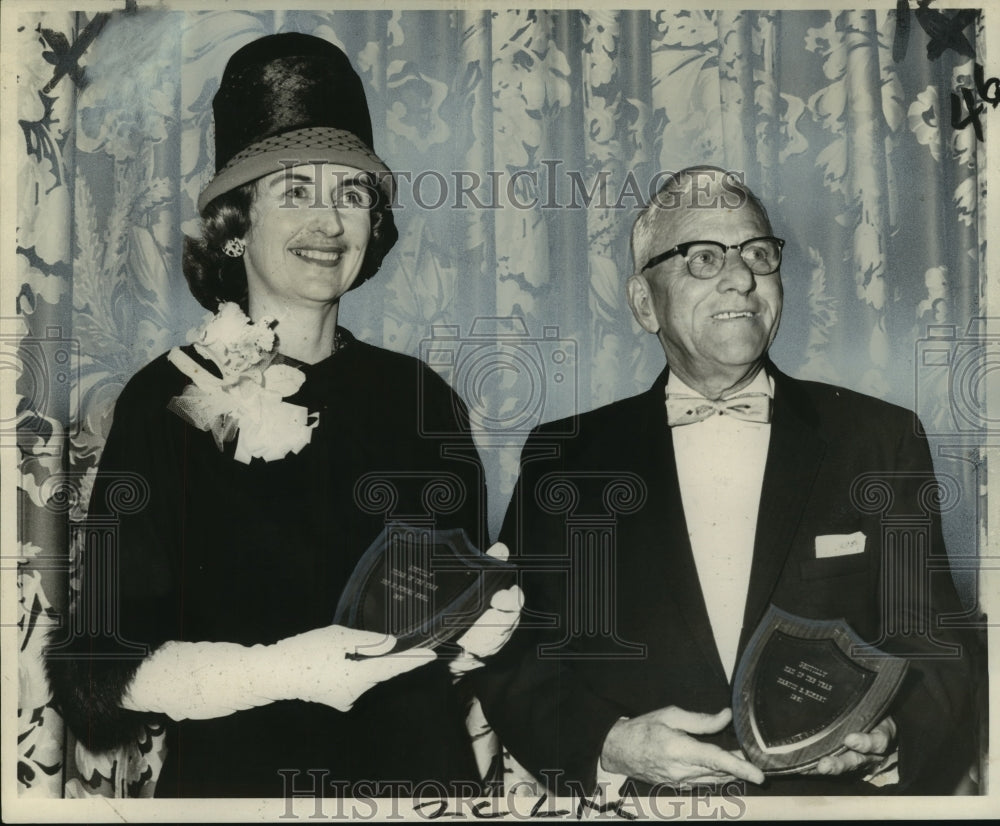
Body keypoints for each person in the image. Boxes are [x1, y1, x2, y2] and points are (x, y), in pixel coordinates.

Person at [45, 32, 519, 798]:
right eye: (295, 191)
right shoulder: (166, 400)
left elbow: (438, 618)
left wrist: (474, 642)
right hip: (241, 789)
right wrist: (285, 672)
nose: (329, 223)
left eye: (352, 194)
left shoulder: (422, 398)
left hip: (417, 789)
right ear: (236, 224)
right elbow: (97, 671)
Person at [475, 166, 977, 797]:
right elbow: (514, 650)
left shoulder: (879, 439)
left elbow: (938, 643)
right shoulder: (567, 457)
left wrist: (893, 738)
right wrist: (607, 744)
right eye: (704, 258)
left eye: (758, 254)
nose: (742, 278)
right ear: (642, 302)